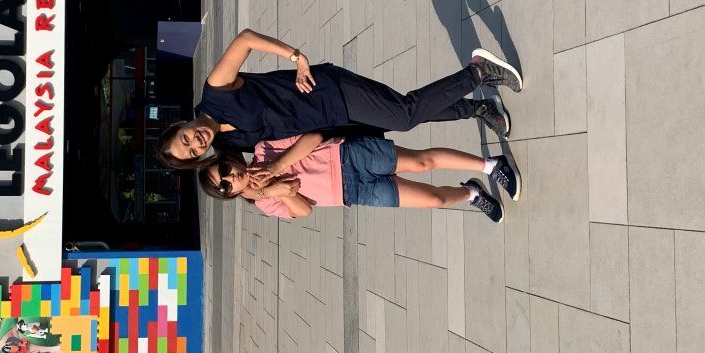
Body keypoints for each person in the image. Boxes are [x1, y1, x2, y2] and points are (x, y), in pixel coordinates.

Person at [156, 29, 522, 167]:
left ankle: (478, 72)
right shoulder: (227, 143)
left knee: (406, 114)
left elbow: (245, 40)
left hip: (328, 89)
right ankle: (478, 108)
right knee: (404, 117)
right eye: (191, 151)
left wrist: (296, 57)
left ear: (181, 124)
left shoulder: (215, 90)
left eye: (186, 138)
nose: (195, 143)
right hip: (331, 119)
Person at [197, 132, 521, 223]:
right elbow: (304, 210)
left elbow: (311, 139)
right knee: (433, 200)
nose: (231, 177)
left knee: (422, 162)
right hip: (352, 194)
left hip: (349, 156)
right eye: (225, 185)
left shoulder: (264, 148)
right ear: (230, 193)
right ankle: (471, 193)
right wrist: (277, 189)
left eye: (224, 169)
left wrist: (276, 166)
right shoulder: (265, 204)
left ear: (227, 160)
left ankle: (490, 165)